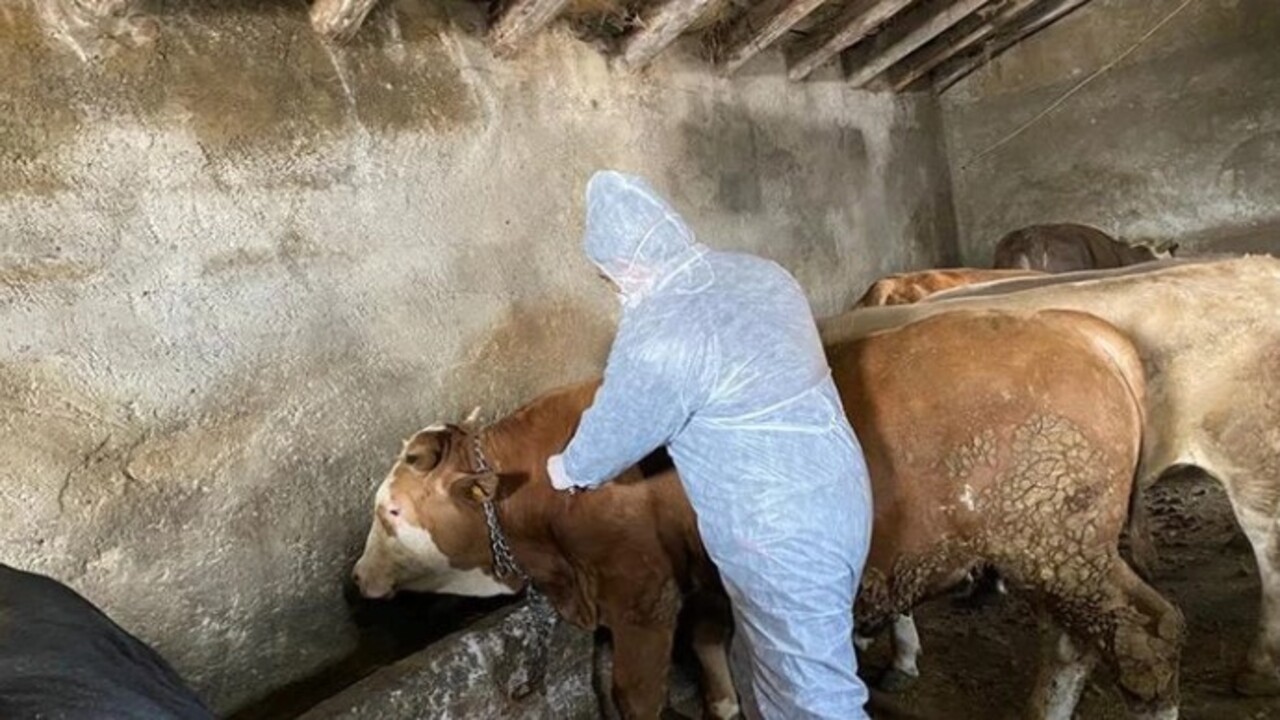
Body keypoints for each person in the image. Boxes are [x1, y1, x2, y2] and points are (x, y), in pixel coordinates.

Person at [545, 170, 874, 719]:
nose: (614, 290)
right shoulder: (761, 274)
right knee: (770, 661)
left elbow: (610, 437)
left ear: (623, 265)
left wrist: (562, 469)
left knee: (819, 697)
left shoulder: (662, 330)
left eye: (608, 278)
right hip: (840, 489)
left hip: (778, 534)